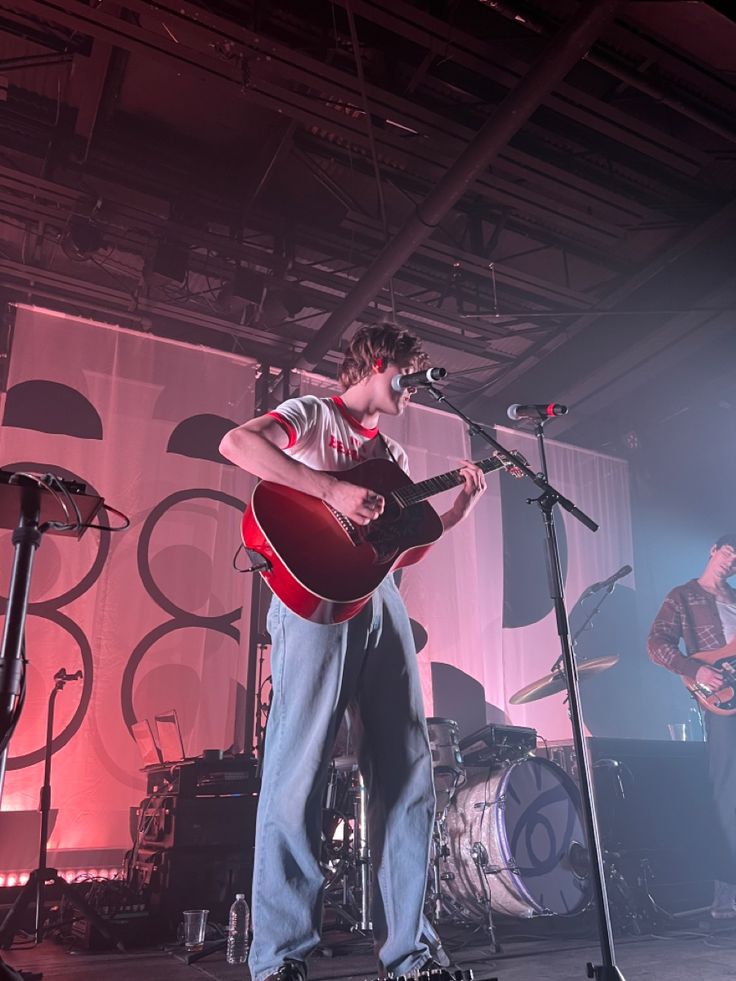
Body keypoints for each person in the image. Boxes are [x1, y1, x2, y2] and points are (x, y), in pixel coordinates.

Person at [219, 323, 487, 981]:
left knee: (408, 766)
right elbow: (236, 443)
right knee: (297, 768)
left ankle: (412, 952)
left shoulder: (390, 450)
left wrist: (453, 515)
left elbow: (396, 544)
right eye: (407, 373)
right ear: (376, 362)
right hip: (314, 596)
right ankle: (280, 954)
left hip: (379, 596)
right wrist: (330, 488)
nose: (412, 387)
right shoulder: (313, 415)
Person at [648, 533, 736, 918]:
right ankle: (726, 895)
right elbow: (656, 643)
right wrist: (695, 668)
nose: (731, 560)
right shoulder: (683, 595)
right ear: (713, 551)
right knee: (728, 795)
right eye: (729, 551)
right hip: (722, 707)